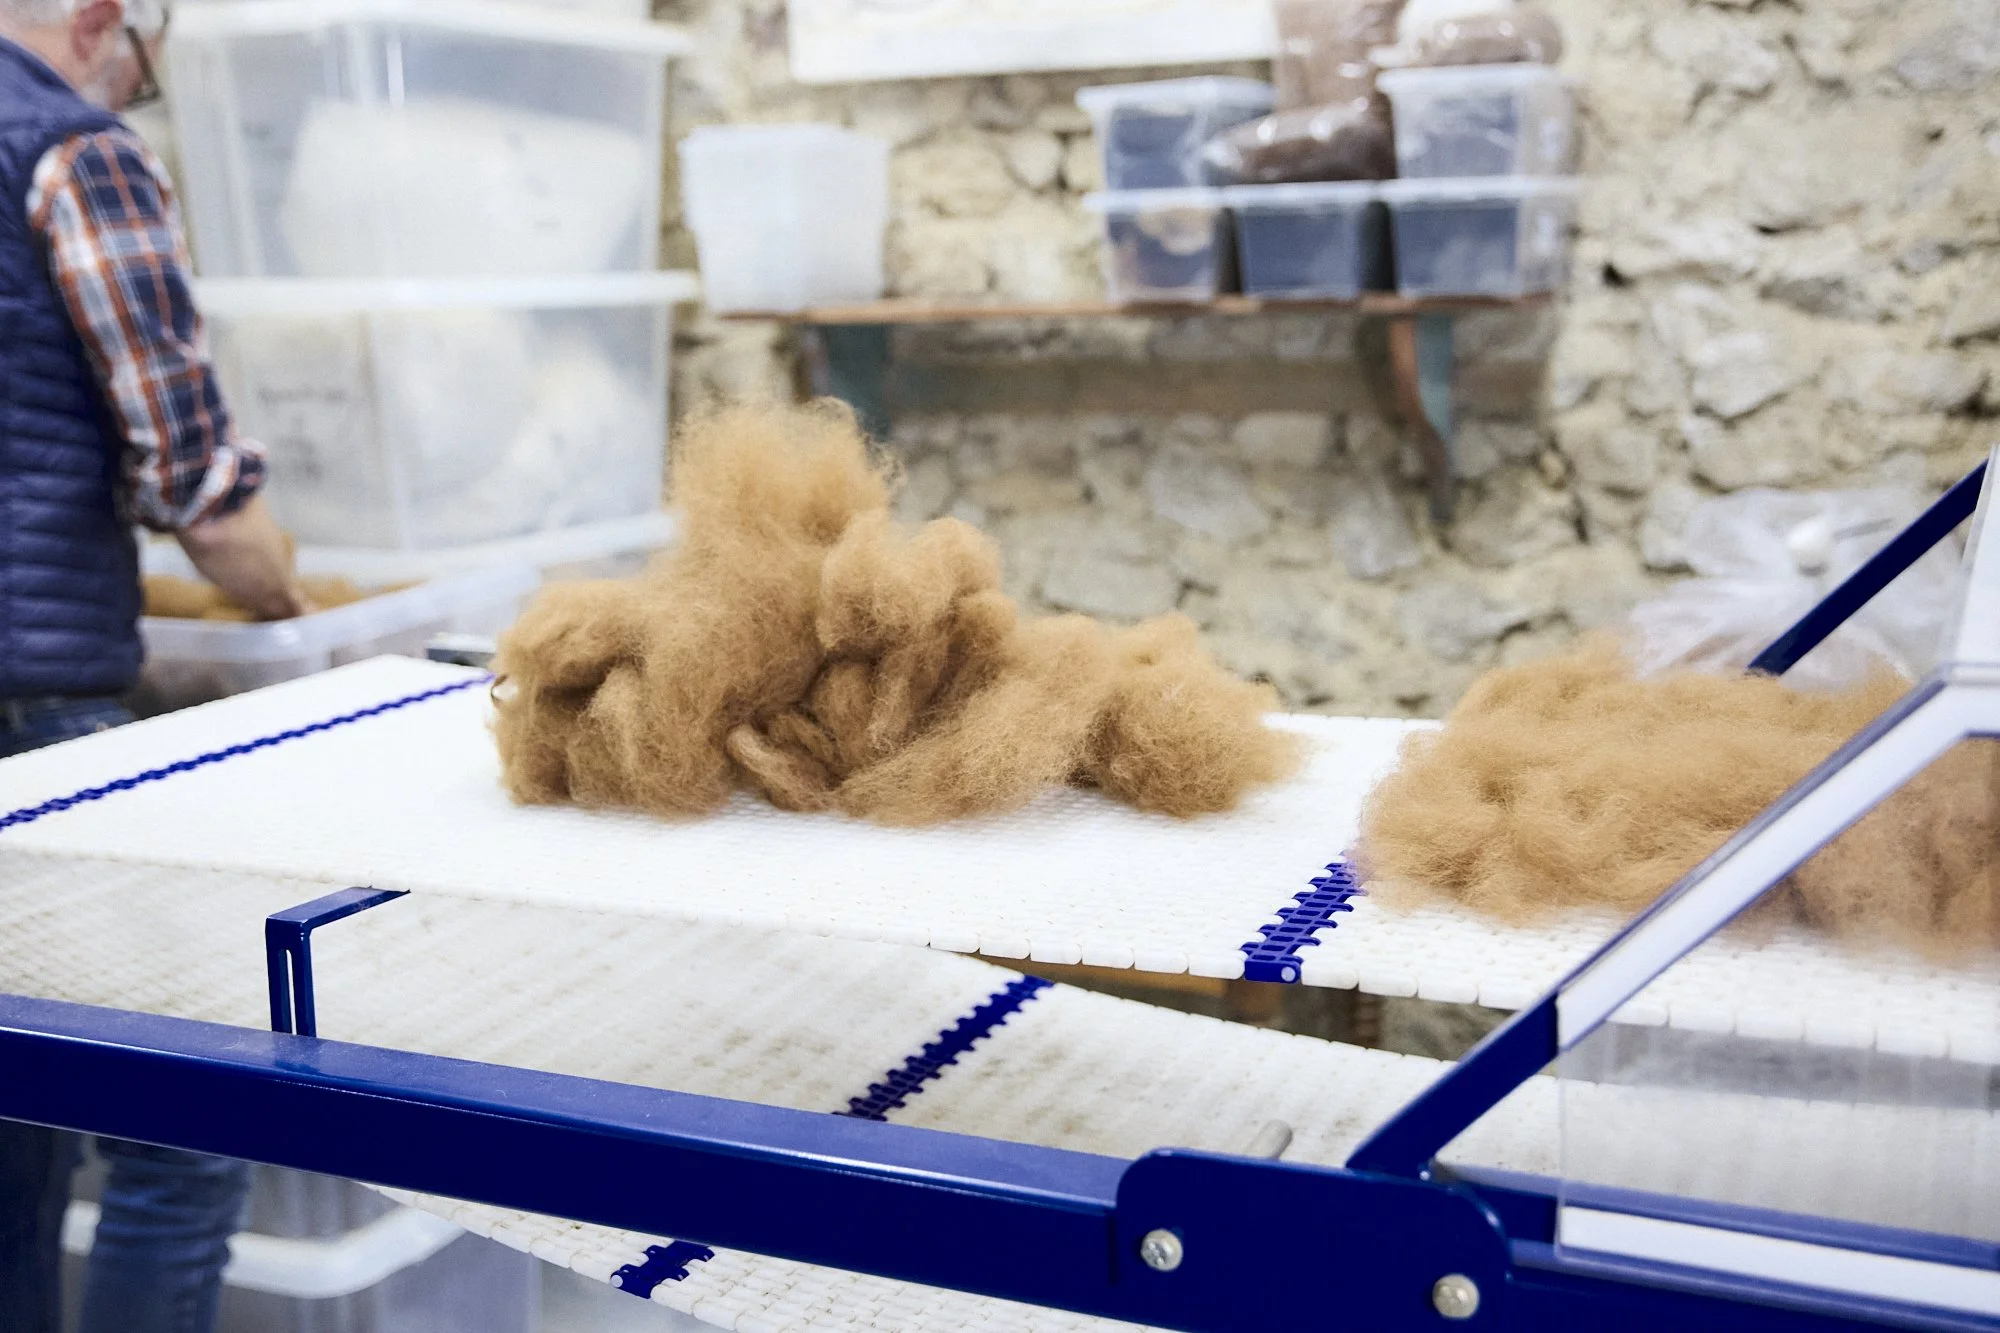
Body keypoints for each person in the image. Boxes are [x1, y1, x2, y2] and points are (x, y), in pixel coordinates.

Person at [0, 0, 308, 1327]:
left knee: (14, 1113)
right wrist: (296, 607)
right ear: (101, 21)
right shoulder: (75, 150)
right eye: (144, 69)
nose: (135, 93)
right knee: (183, 1130)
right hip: (27, 708)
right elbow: (199, 494)